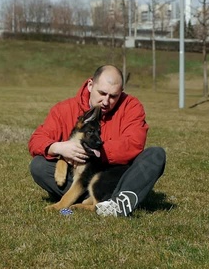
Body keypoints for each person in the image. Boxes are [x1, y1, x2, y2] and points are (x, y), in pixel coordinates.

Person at [28, 64, 166, 217]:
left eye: (113, 96)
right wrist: (58, 148)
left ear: (121, 92)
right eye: (102, 93)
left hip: (116, 176)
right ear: (90, 85)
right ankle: (99, 200)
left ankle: (120, 200)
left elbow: (134, 143)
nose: (106, 101)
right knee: (39, 166)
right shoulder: (64, 109)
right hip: (81, 178)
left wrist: (93, 151)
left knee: (156, 155)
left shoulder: (131, 107)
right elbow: (37, 140)